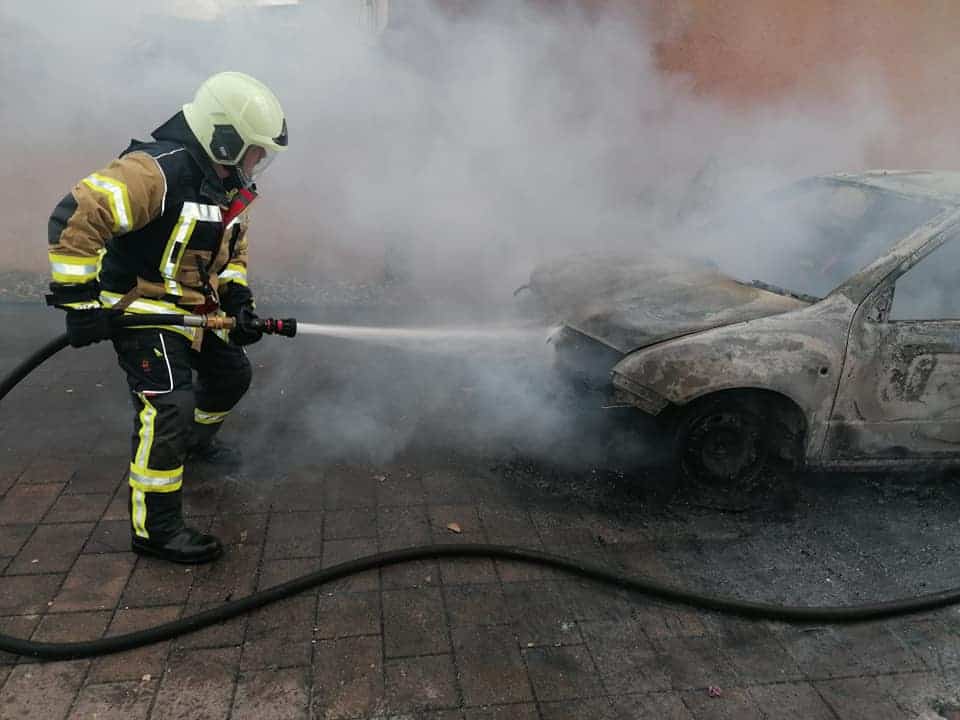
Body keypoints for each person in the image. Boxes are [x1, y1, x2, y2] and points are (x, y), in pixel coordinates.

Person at [45, 72, 288, 564]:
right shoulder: (155, 171)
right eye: (255, 151)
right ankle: (154, 529)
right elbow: (74, 215)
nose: (258, 162)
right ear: (225, 136)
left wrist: (238, 300)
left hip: (196, 309)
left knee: (231, 374)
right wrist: (80, 301)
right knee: (169, 408)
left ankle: (194, 446)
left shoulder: (229, 185)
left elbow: (231, 254)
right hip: (141, 309)